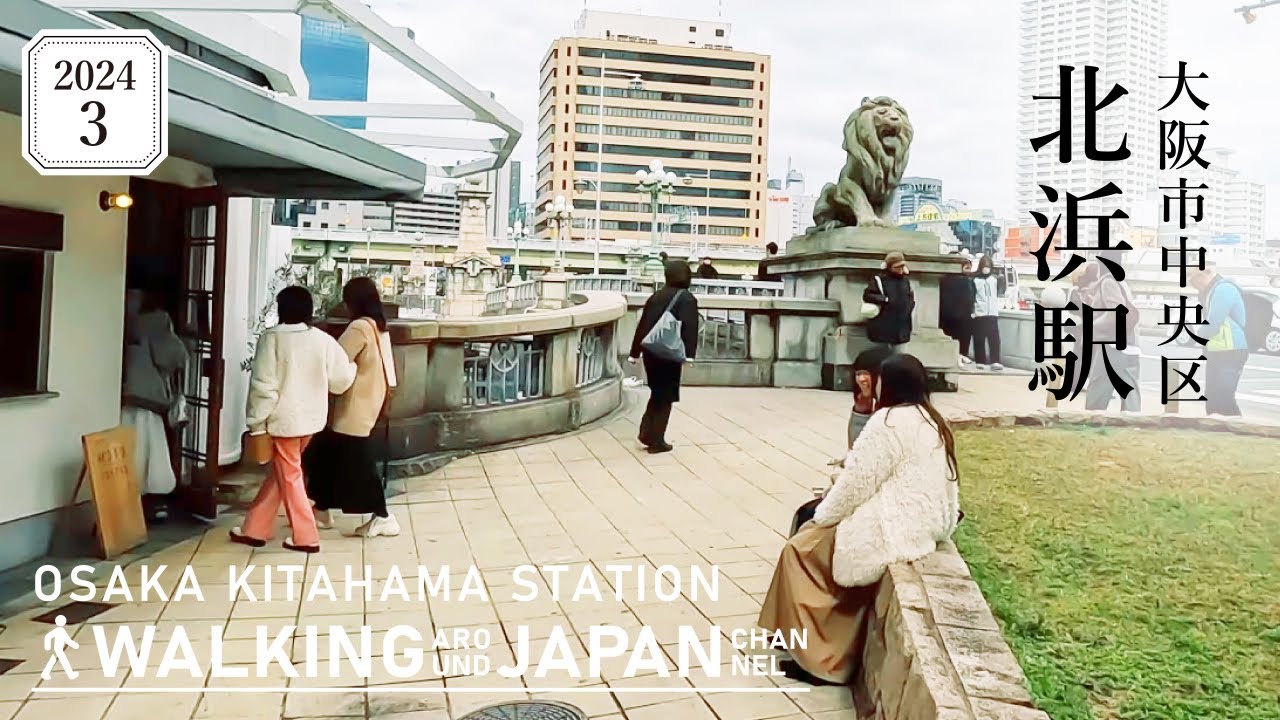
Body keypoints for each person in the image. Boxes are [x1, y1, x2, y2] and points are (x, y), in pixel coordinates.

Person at [758, 354, 960, 686]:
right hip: (919, 526)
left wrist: (822, 517)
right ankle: (802, 642)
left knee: (799, 551)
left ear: (889, 384)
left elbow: (856, 484)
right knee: (815, 544)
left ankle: (821, 661)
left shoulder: (889, 422)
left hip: (889, 528)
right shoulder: (931, 419)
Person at [234, 286, 356, 553]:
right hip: (311, 421)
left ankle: (306, 536)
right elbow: (341, 381)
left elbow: (263, 386)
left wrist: (256, 423)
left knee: (288, 475)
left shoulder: (272, 338)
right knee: (283, 474)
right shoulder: (322, 340)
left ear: (281, 308)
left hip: (282, 421)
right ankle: (254, 528)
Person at [305, 277, 401, 538]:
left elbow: (335, 359)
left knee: (356, 463)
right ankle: (321, 508)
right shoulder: (378, 327)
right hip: (370, 401)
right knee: (328, 454)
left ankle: (383, 515)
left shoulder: (359, 327)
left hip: (353, 406)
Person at [120, 286, 187, 522]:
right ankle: (154, 503)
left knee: (124, 452)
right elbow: (173, 356)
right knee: (151, 452)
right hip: (146, 395)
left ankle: (123, 501)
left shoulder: (115, 309)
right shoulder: (155, 320)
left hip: (116, 394)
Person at [629, 261, 700, 454]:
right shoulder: (687, 299)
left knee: (657, 392)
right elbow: (690, 328)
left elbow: (643, 324)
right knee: (666, 395)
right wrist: (690, 354)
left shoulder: (656, 296)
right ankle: (656, 440)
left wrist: (634, 352)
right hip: (670, 353)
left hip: (651, 352)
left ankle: (647, 432)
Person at [1079, 254, 1141, 412]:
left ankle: (1091, 423)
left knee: (1098, 386)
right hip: (1130, 343)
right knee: (1129, 387)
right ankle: (1133, 423)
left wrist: (1090, 326)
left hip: (1112, 345)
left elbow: (1115, 312)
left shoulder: (1108, 281)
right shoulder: (1121, 282)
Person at [1189, 263, 1249, 416]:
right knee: (1212, 398)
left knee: (1224, 398)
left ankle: (1237, 432)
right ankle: (1216, 431)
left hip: (1231, 350)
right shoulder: (1209, 292)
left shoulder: (1223, 289)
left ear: (1206, 273)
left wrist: (1197, 336)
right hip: (1217, 350)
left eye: (1193, 278)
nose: (1192, 283)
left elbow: (1213, 323)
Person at [863, 251, 915, 347]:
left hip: (901, 326)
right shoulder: (879, 279)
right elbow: (868, 295)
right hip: (883, 324)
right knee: (881, 353)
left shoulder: (905, 280)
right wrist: (886, 300)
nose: (900, 269)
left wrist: (909, 306)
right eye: (896, 267)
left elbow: (910, 296)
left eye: (901, 266)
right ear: (889, 267)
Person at [939, 254, 976, 365]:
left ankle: (960, 355)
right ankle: (958, 356)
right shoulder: (953, 280)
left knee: (960, 337)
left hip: (958, 314)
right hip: (953, 315)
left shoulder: (966, 281)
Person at [970, 255, 1003, 371]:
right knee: (979, 338)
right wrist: (972, 312)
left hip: (992, 313)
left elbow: (1000, 291)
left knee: (994, 339)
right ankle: (980, 361)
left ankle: (995, 361)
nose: (986, 268)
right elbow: (972, 296)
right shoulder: (975, 280)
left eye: (988, 266)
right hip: (979, 313)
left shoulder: (994, 280)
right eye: (984, 266)